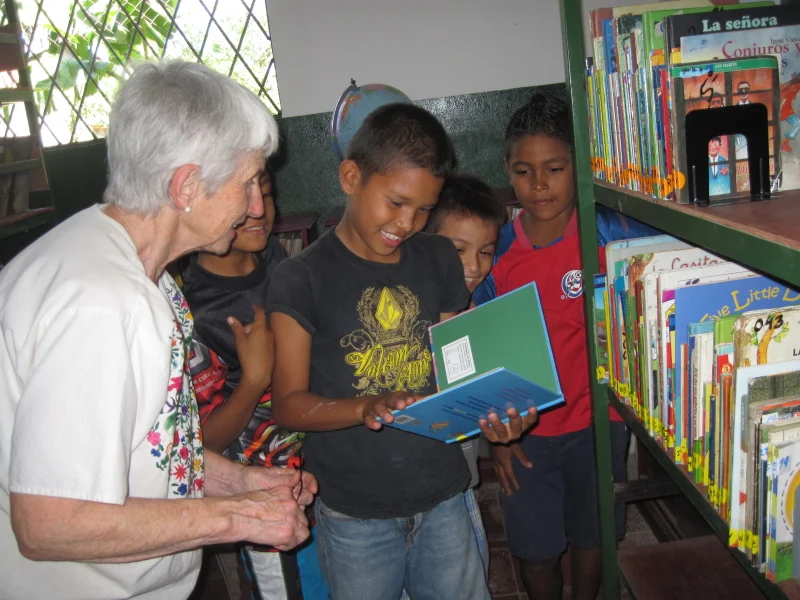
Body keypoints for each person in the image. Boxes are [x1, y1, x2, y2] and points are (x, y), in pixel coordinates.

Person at [0, 60, 316, 600]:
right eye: (246, 184)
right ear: (186, 186)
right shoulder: (104, 303)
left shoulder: (137, 268)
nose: (257, 205)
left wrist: (239, 481)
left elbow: (147, 448)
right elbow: (49, 522)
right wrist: (237, 516)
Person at [266, 103, 537, 600]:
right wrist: (364, 407)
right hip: (354, 512)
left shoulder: (437, 258)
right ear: (351, 176)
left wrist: (497, 413)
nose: (408, 222)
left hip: (443, 497)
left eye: (424, 209)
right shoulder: (301, 277)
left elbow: (459, 367)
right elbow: (289, 404)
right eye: (395, 202)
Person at [472, 93, 656, 600]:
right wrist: (500, 438)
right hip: (527, 432)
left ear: (578, 166)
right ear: (507, 172)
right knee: (533, 547)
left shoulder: (610, 232)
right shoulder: (499, 253)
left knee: (594, 531)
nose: (539, 184)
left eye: (554, 168)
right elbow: (484, 346)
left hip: (600, 423)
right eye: (524, 170)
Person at [183, 168, 327, 600]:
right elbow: (201, 444)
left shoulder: (277, 258)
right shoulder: (195, 313)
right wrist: (255, 379)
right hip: (266, 501)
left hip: (324, 477)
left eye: (266, 194)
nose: (260, 211)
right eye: (243, 199)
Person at [423, 173, 507, 576]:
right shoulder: (408, 322)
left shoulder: (479, 319)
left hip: (457, 485)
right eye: (458, 249)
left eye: (486, 251)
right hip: (405, 489)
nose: (474, 267)